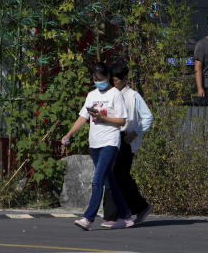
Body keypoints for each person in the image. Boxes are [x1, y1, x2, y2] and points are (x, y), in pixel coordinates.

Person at [60, 63, 134, 231]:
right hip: (95, 143)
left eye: (100, 79)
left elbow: (122, 120)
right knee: (109, 182)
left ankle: (88, 218)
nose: (97, 82)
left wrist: (103, 117)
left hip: (110, 142)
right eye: (94, 79)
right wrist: (69, 134)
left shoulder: (115, 94)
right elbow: (82, 117)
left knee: (97, 180)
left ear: (107, 78)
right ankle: (126, 215)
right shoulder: (91, 95)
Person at [100, 62, 154, 226]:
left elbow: (148, 117)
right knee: (120, 176)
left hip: (125, 140)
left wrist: (136, 132)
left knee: (114, 174)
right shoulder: (109, 94)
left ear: (124, 79)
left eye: (115, 81)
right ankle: (138, 207)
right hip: (111, 137)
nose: (113, 84)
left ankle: (112, 216)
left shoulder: (133, 96)